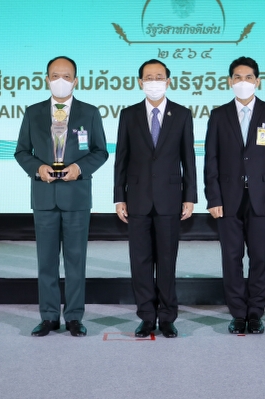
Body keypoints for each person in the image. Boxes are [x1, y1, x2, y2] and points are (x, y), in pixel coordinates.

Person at [15, 56, 108, 337]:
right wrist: (37, 168)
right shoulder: (33, 113)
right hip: (44, 196)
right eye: (55, 76)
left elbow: (100, 151)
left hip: (76, 196)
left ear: (75, 80)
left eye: (66, 76)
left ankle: (75, 317)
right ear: (46, 79)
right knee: (46, 260)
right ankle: (49, 317)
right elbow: (21, 151)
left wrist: (79, 168)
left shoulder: (89, 112)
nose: (61, 81)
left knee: (76, 260)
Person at [204, 56, 265, 334]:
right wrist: (213, 198)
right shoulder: (219, 115)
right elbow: (211, 159)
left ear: (257, 81)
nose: (243, 82)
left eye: (248, 77)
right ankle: (238, 313)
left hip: (262, 198)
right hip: (227, 199)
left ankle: (256, 313)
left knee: (260, 257)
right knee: (232, 258)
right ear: (230, 81)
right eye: (238, 77)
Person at [114, 59, 197, 338]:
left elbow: (188, 158)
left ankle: (168, 317)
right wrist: (119, 196)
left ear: (168, 81)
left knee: (167, 261)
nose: (153, 81)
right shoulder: (129, 114)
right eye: (148, 77)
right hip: (136, 198)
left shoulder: (182, 114)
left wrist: (190, 196)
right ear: (140, 82)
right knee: (140, 262)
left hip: (170, 198)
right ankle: (147, 316)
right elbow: (121, 158)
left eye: (158, 76)